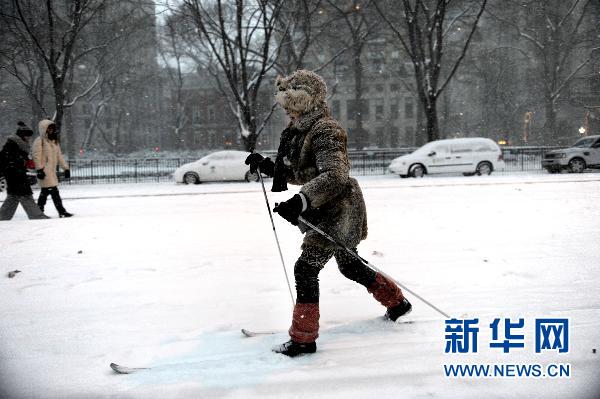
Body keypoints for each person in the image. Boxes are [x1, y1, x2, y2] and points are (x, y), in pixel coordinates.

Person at [246, 70, 412, 357]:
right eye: (285, 106)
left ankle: (303, 339)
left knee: (306, 268)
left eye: (291, 105)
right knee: (350, 266)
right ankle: (397, 303)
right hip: (325, 208)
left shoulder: (325, 130)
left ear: (305, 102)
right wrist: (270, 168)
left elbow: (335, 175)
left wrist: (301, 201)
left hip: (339, 209)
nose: (287, 111)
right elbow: (304, 173)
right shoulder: (302, 131)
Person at [0, 121, 49, 220]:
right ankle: (37, 216)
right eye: (27, 136)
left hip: (15, 175)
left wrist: (25, 162)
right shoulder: (13, 145)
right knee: (25, 195)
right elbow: (7, 160)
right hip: (15, 175)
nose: (28, 139)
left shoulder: (17, 145)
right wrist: (20, 165)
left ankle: (3, 217)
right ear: (22, 135)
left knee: (13, 197)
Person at [32, 119, 73, 218]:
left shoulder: (54, 142)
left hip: (51, 172)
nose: (50, 130)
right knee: (53, 191)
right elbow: (36, 156)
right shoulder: (40, 141)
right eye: (48, 128)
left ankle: (39, 212)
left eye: (52, 128)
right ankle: (61, 211)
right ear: (44, 129)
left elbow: (59, 156)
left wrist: (66, 168)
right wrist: (40, 169)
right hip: (45, 171)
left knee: (45, 192)